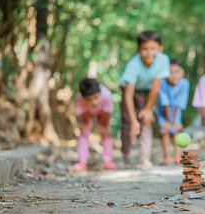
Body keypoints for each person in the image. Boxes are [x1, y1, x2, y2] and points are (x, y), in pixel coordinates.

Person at [120, 30, 170, 169]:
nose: (149, 53)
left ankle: (144, 158)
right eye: (145, 49)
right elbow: (128, 94)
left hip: (147, 91)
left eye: (153, 49)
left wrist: (147, 109)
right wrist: (133, 120)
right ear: (138, 50)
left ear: (160, 49)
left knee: (146, 121)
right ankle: (126, 157)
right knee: (127, 123)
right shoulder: (133, 65)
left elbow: (156, 87)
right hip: (129, 90)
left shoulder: (163, 60)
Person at [73, 78, 116, 171]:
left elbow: (107, 112)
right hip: (87, 112)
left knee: (106, 133)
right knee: (84, 133)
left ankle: (108, 160)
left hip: (103, 113)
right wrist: (86, 123)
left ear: (100, 92)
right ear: (84, 98)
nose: (94, 102)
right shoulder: (80, 97)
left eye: (96, 97)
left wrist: (104, 126)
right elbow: (84, 113)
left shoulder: (106, 94)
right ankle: (82, 161)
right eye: (89, 99)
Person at [157, 58, 190, 164]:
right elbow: (165, 103)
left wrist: (175, 122)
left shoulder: (184, 83)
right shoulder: (161, 82)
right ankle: (167, 156)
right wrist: (168, 121)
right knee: (165, 131)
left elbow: (179, 103)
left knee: (176, 131)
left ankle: (177, 156)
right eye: (170, 73)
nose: (174, 75)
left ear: (182, 72)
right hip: (162, 111)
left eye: (177, 72)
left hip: (176, 110)